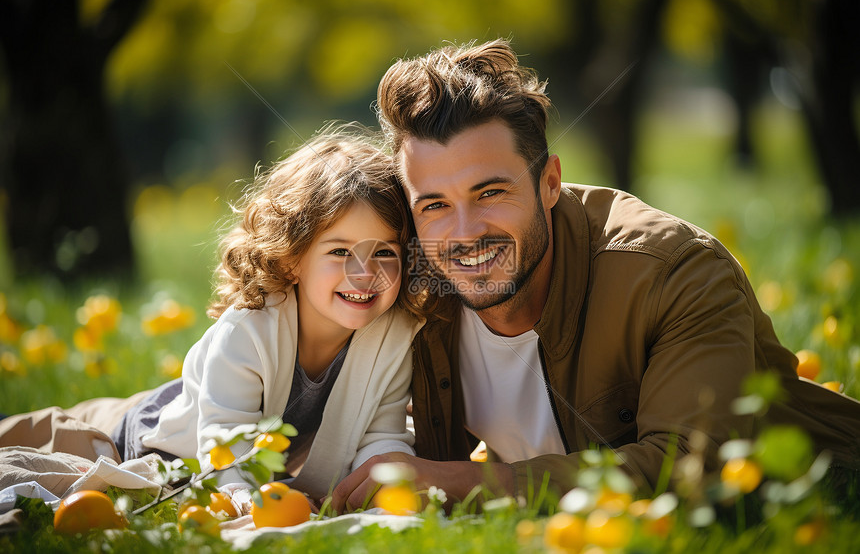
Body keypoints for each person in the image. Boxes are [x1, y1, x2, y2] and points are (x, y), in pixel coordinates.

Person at [331, 39, 860, 511]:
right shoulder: (412, 287)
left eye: (490, 193)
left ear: (550, 182)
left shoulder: (674, 274)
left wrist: (468, 481)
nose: (465, 233)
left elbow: (691, 470)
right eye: (435, 206)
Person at [1, 126, 424, 507]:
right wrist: (239, 497)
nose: (365, 272)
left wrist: (386, 483)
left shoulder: (393, 334)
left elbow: (381, 436)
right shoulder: (251, 328)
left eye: (384, 251)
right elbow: (223, 444)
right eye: (339, 251)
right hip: (159, 438)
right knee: (51, 435)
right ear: (293, 258)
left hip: (209, 415)